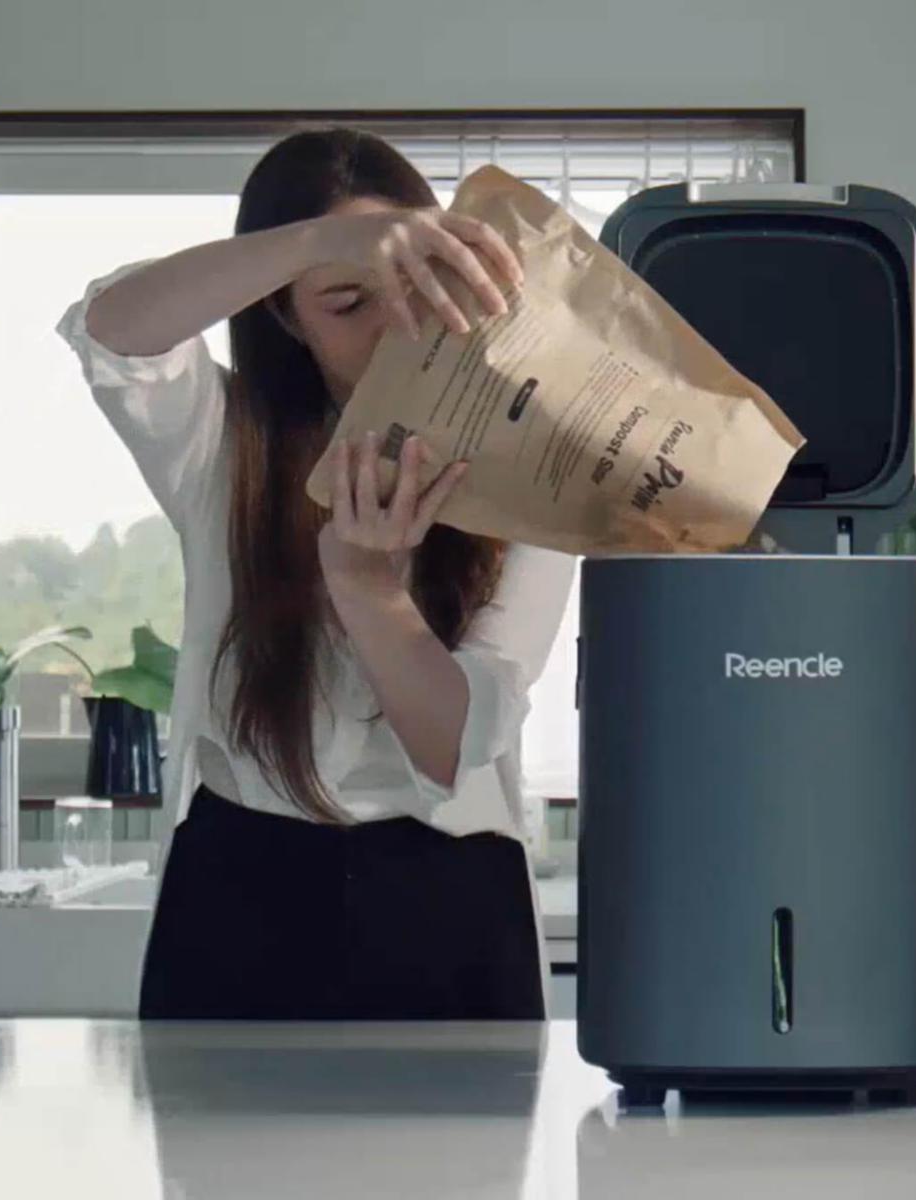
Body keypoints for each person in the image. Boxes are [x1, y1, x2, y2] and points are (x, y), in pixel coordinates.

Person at [54, 125, 577, 1021]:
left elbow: (457, 744)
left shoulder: (533, 467)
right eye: (348, 299)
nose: (397, 322)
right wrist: (319, 241)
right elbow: (110, 332)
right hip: (239, 880)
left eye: (420, 282)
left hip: (450, 891)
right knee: (200, 1124)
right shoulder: (228, 442)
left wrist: (371, 592)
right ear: (287, 317)